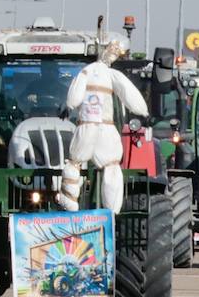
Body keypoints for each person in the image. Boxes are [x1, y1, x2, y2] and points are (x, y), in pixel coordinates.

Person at [58, 39, 148, 214]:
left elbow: (75, 96)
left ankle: (69, 201)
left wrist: (69, 106)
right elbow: (128, 93)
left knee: (75, 162)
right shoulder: (111, 74)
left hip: (87, 125)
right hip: (106, 128)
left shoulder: (86, 71)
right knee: (112, 165)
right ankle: (112, 211)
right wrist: (142, 111)